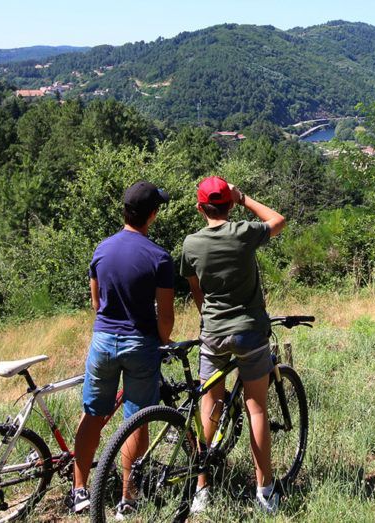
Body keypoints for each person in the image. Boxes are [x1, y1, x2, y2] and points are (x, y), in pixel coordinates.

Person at [68, 181, 175, 518]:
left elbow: (96, 301)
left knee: (93, 414)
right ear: (153, 215)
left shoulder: (102, 249)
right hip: (140, 343)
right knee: (136, 420)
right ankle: (127, 497)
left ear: (125, 211)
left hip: (103, 340)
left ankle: (80, 489)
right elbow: (166, 318)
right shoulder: (159, 257)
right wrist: (164, 340)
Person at [180, 176, 286, 515]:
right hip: (250, 332)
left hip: (213, 332)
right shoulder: (242, 233)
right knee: (256, 408)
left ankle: (201, 489)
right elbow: (278, 221)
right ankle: (265, 490)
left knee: (209, 408)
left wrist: (209, 315)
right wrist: (245, 198)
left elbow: (195, 287)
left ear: (200, 208)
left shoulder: (191, 244)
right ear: (228, 204)